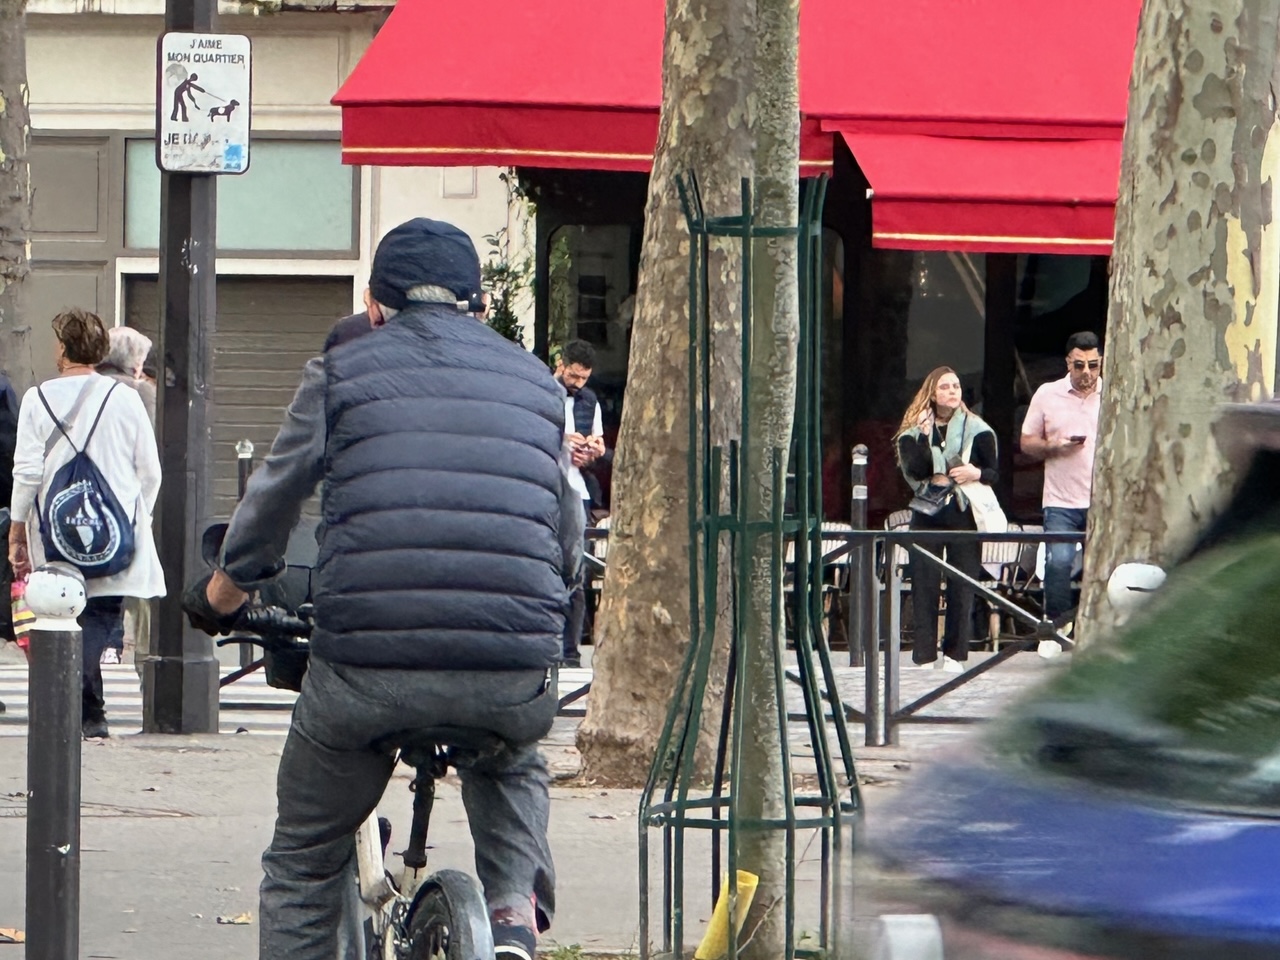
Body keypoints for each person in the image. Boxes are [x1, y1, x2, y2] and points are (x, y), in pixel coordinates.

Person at [182, 218, 582, 960]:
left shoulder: (340, 372)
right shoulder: (537, 383)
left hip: (368, 665)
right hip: (509, 664)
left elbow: (275, 495)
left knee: (304, 854)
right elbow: (566, 529)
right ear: (481, 302)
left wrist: (226, 589)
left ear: (373, 304)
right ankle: (514, 916)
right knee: (515, 755)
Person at [7, 309, 165, 739]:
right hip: (113, 533)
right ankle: (89, 713)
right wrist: (136, 518)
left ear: (62, 347)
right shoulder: (127, 398)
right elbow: (150, 472)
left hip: (54, 535)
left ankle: (81, 708)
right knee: (98, 617)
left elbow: (27, 473)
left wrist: (17, 529)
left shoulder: (37, 400)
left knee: (61, 615)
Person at [894, 367, 999, 672]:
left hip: (964, 517)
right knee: (924, 587)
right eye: (945, 387)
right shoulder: (912, 433)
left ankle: (955, 655)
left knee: (961, 587)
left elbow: (994, 473)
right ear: (932, 393)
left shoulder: (979, 430)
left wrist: (975, 473)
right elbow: (917, 471)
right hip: (927, 516)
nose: (953, 391)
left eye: (956, 386)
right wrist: (926, 438)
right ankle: (924, 656)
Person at [1020, 331, 1103, 631]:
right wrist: (1054, 446)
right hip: (1061, 501)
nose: (1087, 373)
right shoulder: (1047, 394)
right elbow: (1027, 442)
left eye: (1093, 365)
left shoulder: (1114, 392)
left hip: (1102, 500)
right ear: (1068, 363)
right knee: (1057, 564)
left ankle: (1097, 631)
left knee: (1106, 568)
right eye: (1079, 365)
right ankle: (1056, 627)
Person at [97, 325, 158, 665]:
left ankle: (107, 648)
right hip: (129, 503)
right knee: (141, 592)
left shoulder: (83, 390)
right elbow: (151, 463)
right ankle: (142, 671)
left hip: (88, 502)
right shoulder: (140, 394)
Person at [554, 339, 605, 668]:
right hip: (548, 486)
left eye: (583, 378)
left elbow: (598, 444)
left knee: (577, 571)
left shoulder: (590, 401)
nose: (577, 384)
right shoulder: (543, 391)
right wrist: (562, 438)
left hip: (578, 488)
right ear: (560, 364)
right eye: (573, 376)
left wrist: (594, 451)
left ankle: (571, 652)